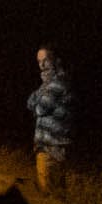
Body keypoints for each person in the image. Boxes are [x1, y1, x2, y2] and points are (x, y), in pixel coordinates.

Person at [29, 48, 75, 193]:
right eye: (39, 61)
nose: (41, 65)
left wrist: (38, 99)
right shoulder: (48, 84)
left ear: (56, 61)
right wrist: (40, 94)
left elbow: (39, 109)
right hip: (49, 147)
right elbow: (30, 103)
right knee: (56, 194)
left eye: (45, 60)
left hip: (52, 148)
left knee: (48, 196)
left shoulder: (58, 83)